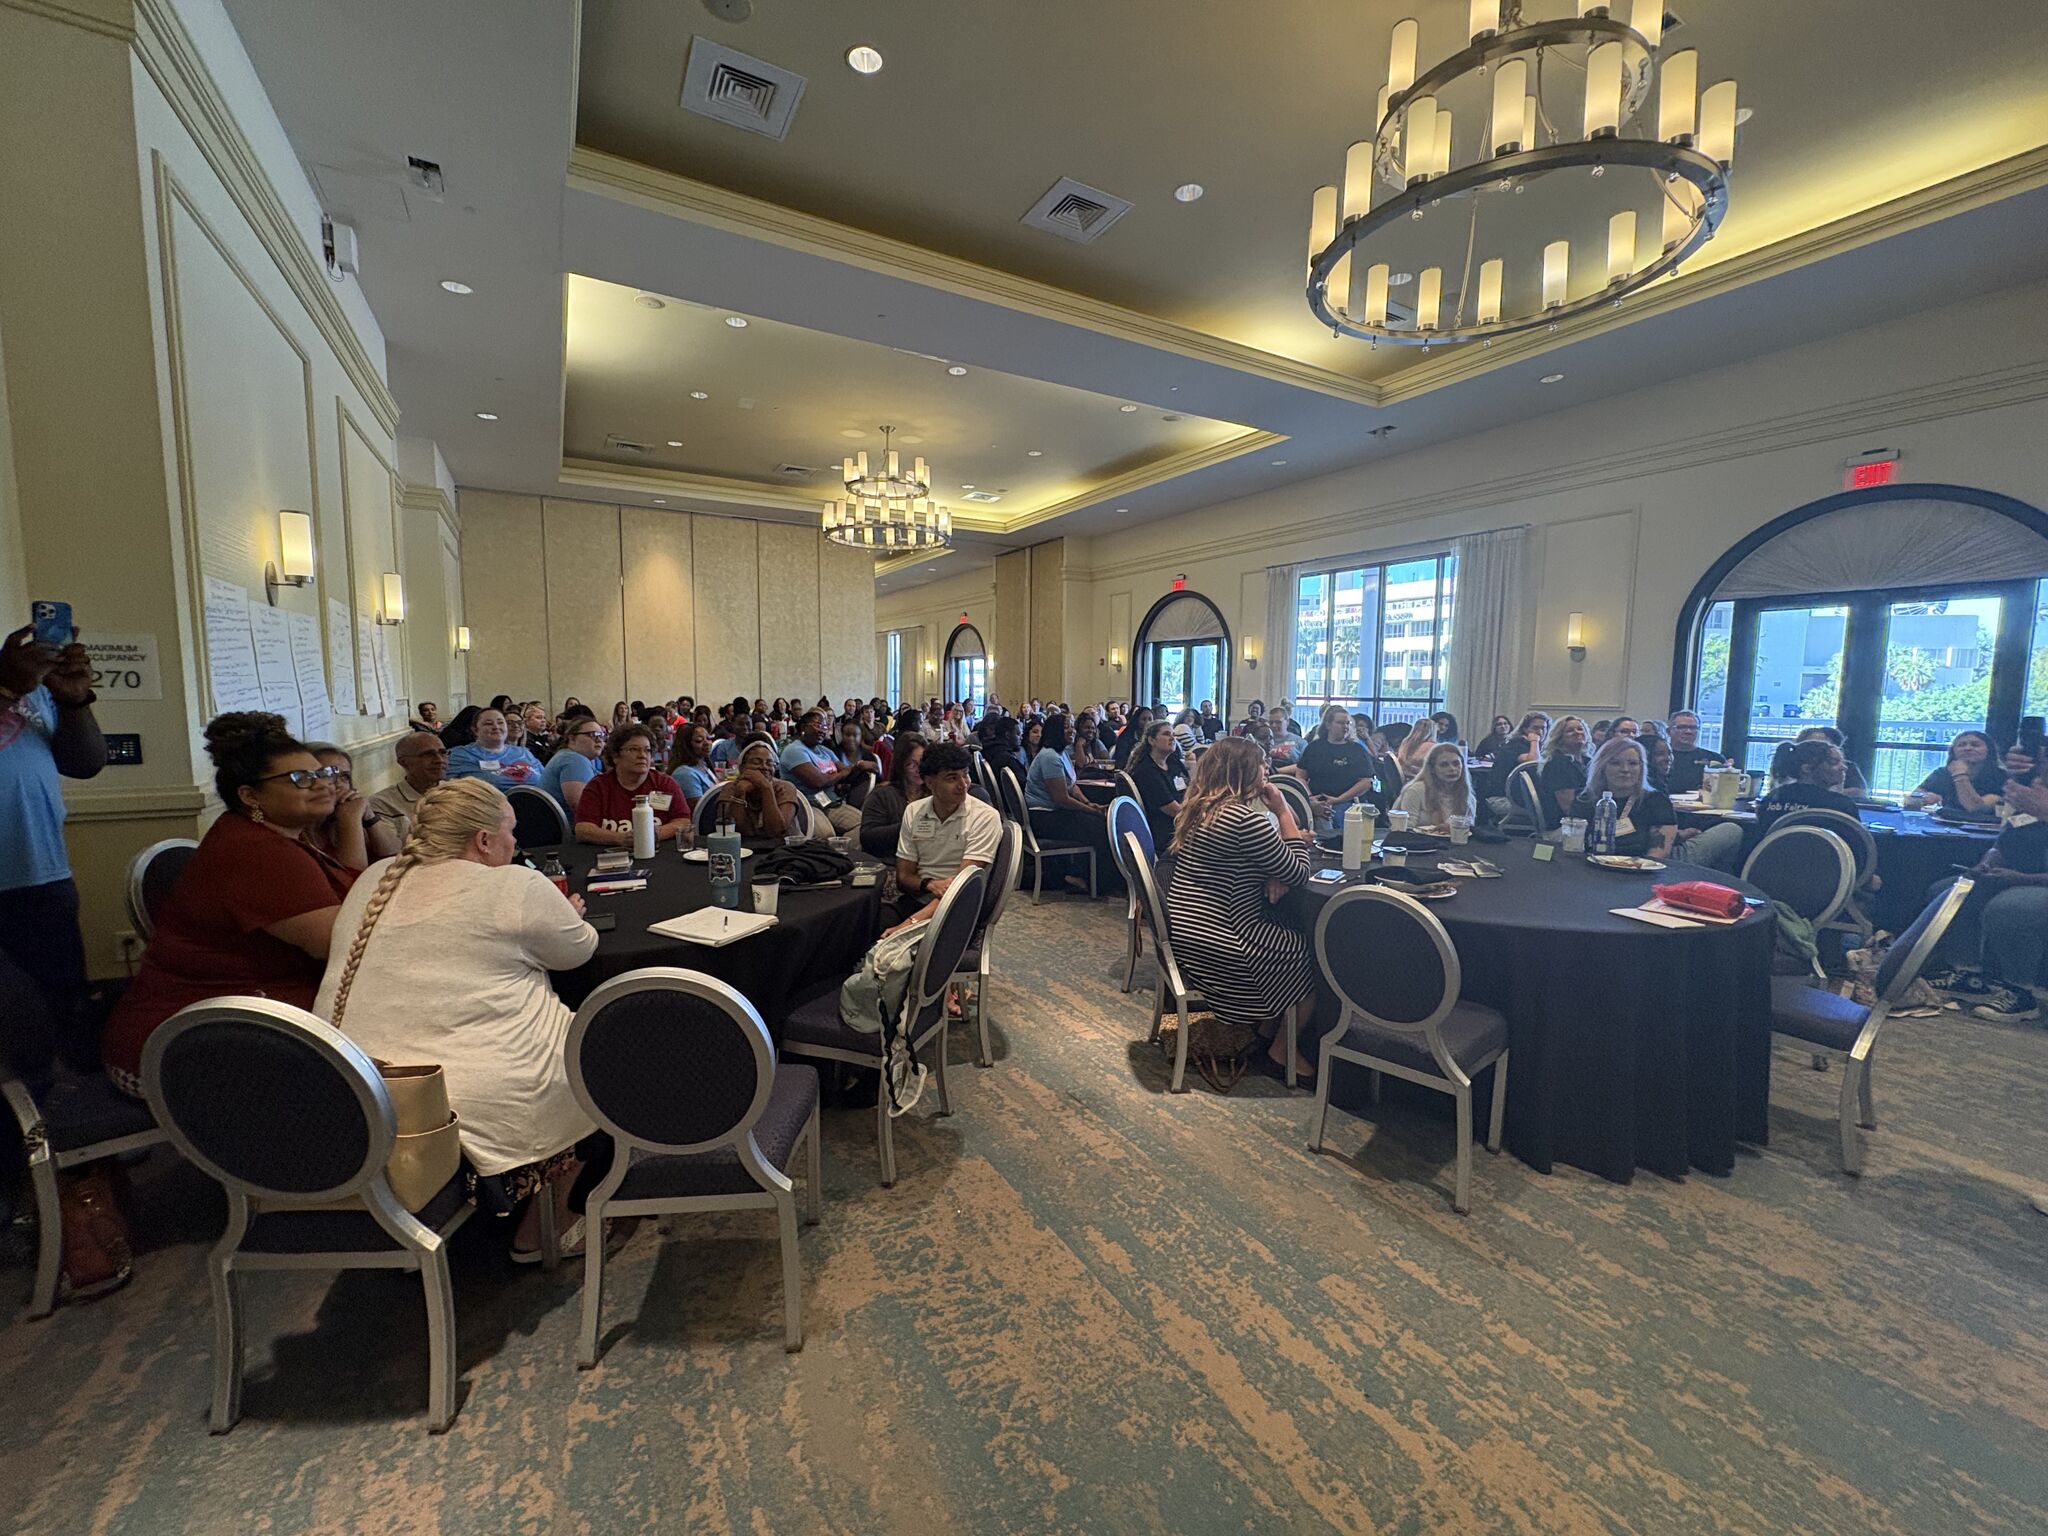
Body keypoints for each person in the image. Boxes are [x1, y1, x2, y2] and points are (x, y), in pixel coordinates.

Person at [316, 778, 601, 1259]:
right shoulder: (514, 884)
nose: (515, 843)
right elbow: (578, 950)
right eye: (510, 832)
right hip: (447, 1101)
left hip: (350, 1089)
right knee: (582, 1041)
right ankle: (545, 1226)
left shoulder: (375, 878)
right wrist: (568, 913)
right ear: (484, 840)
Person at [102, 713, 357, 1095]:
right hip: (181, 1053)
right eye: (300, 779)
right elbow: (343, 946)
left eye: (323, 774)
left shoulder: (271, 836)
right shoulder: (258, 852)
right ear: (250, 796)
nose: (323, 785)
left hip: (229, 1025)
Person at [1164, 737, 1316, 1081]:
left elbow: (1263, 864)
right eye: (1261, 764)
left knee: (1287, 930)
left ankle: (1263, 1034)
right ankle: (1282, 1052)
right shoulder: (1244, 819)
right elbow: (1299, 872)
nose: (1267, 769)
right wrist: (1282, 812)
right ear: (1243, 771)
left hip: (1191, 931)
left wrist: (1274, 870)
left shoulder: (1199, 809)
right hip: (1227, 941)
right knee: (1316, 954)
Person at [0, 621, 107, 1064]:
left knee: (61, 1014)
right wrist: (6, 689)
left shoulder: (30, 683)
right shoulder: (11, 680)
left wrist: (73, 699)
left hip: (42, 877)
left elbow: (85, 763)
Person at [1924, 771, 2048, 1023]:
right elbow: (1999, 846)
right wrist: (1985, 865)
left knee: (2010, 909)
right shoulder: (2026, 814)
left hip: (2037, 883)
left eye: (2039, 789)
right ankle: (1969, 973)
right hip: (2011, 877)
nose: (2030, 793)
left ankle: (2021, 992)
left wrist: (2021, 878)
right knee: (1949, 892)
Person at [890, 743, 1003, 930]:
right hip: (920, 896)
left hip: (960, 905)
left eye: (965, 774)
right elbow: (904, 876)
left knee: (893, 940)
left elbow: (960, 886)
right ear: (930, 783)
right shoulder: (914, 811)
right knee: (865, 927)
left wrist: (908, 925)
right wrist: (930, 885)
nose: (963, 784)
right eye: (952, 778)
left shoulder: (985, 817)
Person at [574, 723, 690, 847]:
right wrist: (619, 838)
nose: (642, 755)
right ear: (615, 756)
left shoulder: (665, 784)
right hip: (613, 853)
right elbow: (583, 829)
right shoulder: (598, 786)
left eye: (647, 750)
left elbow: (683, 821)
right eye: (634, 749)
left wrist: (652, 834)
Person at [1286, 704, 1382, 831]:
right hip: (1317, 800)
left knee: (1333, 816)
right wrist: (1310, 798)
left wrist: (1338, 799)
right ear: (1328, 725)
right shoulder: (1314, 748)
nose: (1345, 727)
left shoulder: (1357, 750)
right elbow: (1301, 775)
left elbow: (1366, 782)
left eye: (1347, 723)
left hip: (1347, 802)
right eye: (1340, 723)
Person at [305, 743, 401, 869]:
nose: (339, 784)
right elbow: (351, 877)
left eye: (344, 777)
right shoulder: (299, 836)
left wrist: (369, 816)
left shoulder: (343, 819)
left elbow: (395, 857)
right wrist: (350, 820)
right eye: (327, 775)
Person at [779, 709, 863, 835]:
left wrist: (859, 766)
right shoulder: (794, 750)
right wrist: (842, 773)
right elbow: (818, 781)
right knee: (826, 835)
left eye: (824, 727)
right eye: (817, 725)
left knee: (864, 825)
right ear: (803, 727)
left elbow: (847, 771)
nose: (822, 731)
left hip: (829, 801)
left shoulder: (824, 750)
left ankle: (844, 848)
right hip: (807, 805)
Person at [1755, 737, 1860, 834]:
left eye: (1842, 762)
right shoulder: (1841, 805)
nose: (1844, 767)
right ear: (1807, 769)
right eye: (1833, 762)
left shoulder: (1771, 800)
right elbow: (1858, 843)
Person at [366, 731, 450, 843]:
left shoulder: (458, 792)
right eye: (427, 755)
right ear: (404, 762)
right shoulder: (382, 804)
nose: (439, 760)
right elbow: (391, 849)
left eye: (443, 753)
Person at [716, 736, 808, 837]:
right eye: (756, 762)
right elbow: (733, 832)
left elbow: (776, 830)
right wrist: (740, 793)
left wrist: (766, 788)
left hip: (785, 845)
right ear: (742, 768)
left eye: (770, 763)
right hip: (744, 846)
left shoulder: (785, 787)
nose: (764, 767)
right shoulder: (731, 788)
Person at [1906, 730, 2004, 816]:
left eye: (1975, 745)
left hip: (1984, 828)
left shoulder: (2001, 776)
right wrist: (1924, 798)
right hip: (1946, 825)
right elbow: (1911, 800)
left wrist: (1960, 775)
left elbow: (1975, 808)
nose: (1967, 748)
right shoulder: (1942, 773)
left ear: (1989, 750)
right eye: (1961, 745)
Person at [1128, 718, 1190, 849]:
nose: (1172, 738)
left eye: (1173, 735)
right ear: (1152, 740)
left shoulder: (1174, 763)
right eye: (1166, 734)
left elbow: (1193, 790)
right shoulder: (1146, 771)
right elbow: (1173, 811)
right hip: (1167, 830)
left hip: (1184, 820)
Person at [446, 707, 544, 790]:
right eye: (488, 723)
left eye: (500, 723)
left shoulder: (524, 753)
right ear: (475, 730)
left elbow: (545, 778)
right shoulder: (461, 755)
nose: (496, 727)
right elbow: (447, 788)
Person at [862, 735, 925, 860]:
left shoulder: (937, 793)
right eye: (912, 764)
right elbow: (867, 838)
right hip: (893, 860)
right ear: (901, 765)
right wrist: (910, 827)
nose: (919, 769)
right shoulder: (883, 794)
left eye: (923, 763)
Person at [1528, 715, 1591, 830]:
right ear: (1559, 738)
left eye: (1580, 729)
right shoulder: (1558, 763)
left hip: (1585, 820)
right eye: (1570, 731)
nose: (1577, 732)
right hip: (1566, 826)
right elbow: (1568, 808)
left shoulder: (1587, 761)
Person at [1393, 742, 1476, 828]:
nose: (1452, 769)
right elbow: (1405, 827)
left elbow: (1468, 829)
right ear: (1432, 769)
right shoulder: (1416, 791)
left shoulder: (1468, 798)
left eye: (1456, 764)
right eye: (1444, 765)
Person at [541, 714, 606, 819]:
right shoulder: (574, 760)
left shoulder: (568, 756)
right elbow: (583, 808)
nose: (599, 740)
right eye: (592, 735)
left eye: (602, 735)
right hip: (568, 827)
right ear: (572, 739)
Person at [1662, 710, 1724, 794]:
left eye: (1693, 728)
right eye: (1682, 727)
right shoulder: (1658, 757)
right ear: (1669, 731)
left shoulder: (1714, 759)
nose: (1688, 731)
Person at [1795, 726, 1869, 794]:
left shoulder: (1847, 766)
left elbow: (1860, 791)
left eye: (1826, 742)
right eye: (1816, 743)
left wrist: (1828, 793)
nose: (1822, 746)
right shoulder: (1792, 764)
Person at [666, 722, 717, 805]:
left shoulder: (703, 764)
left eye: (708, 738)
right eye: (699, 741)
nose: (707, 743)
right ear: (686, 745)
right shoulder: (685, 774)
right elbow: (698, 809)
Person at [1393, 716, 1438, 781]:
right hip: (1420, 780)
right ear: (1433, 731)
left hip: (1405, 779)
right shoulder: (1432, 746)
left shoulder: (1405, 742)